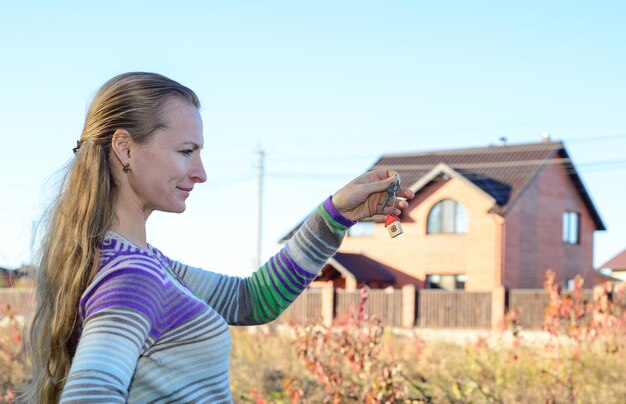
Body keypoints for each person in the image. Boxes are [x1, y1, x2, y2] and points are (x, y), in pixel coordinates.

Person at [27, 72, 414, 403]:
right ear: (125, 148)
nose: (200, 172)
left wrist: (336, 215)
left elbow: (252, 300)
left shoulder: (141, 263)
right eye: (185, 151)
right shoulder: (132, 277)